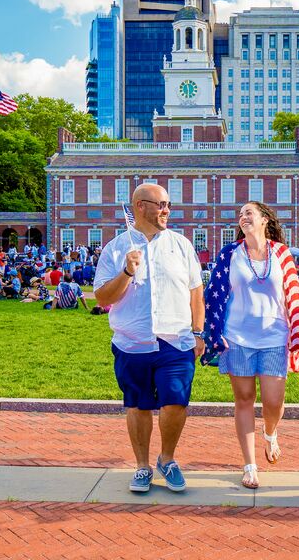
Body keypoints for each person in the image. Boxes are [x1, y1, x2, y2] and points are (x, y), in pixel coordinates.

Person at [93, 183, 205, 495]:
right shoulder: (116, 248)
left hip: (177, 340)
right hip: (133, 341)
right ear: (141, 206)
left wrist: (198, 332)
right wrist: (126, 273)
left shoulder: (181, 246)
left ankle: (167, 459)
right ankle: (142, 466)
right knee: (138, 405)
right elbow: (102, 297)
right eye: (161, 204)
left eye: (168, 204)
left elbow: (197, 293)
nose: (167, 210)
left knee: (175, 403)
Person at [200, 201, 299, 490]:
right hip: (237, 338)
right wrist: (211, 331)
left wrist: (297, 334)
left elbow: (293, 296)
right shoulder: (230, 254)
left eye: (249, 212)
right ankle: (249, 465)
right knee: (244, 399)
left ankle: (270, 433)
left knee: (274, 402)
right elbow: (213, 294)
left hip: (274, 338)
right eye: (240, 214)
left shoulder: (282, 254)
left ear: (264, 220)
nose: (243, 217)